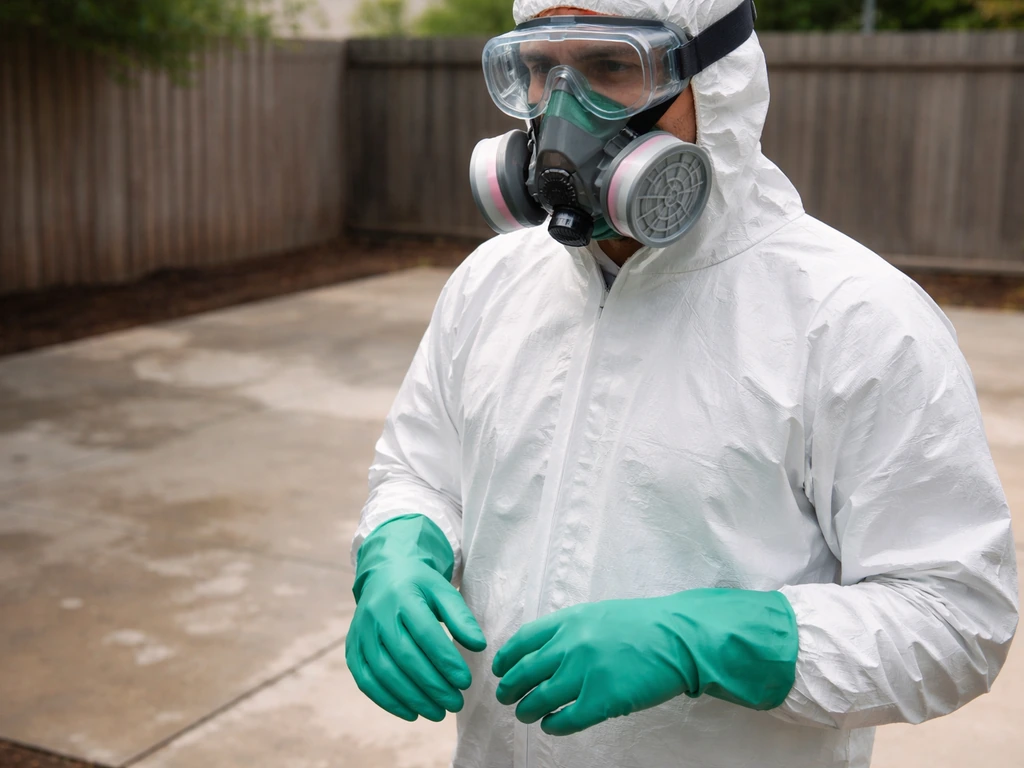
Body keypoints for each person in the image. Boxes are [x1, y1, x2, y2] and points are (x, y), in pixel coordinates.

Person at [346, 0, 1019, 765]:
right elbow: (419, 470)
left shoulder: (854, 319)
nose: (563, 111)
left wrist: (712, 643)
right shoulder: (492, 284)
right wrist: (400, 548)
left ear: (718, 79)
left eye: (610, 69)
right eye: (538, 71)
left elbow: (956, 618)